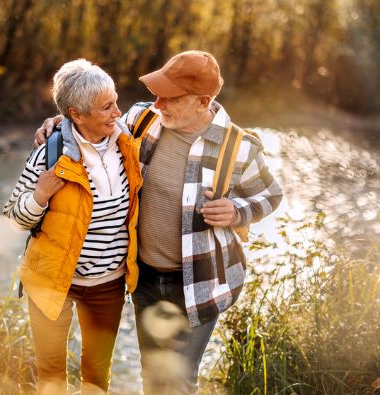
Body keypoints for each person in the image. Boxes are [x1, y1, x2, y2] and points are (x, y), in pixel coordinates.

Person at [35, 50, 283, 394]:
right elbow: (89, 121)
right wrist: (58, 122)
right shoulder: (142, 120)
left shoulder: (239, 148)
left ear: (203, 101)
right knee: (153, 377)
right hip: (146, 279)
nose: (158, 102)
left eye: (169, 97)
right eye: (157, 93)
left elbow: (271, 194)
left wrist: (237, 211)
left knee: (179, 381)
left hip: (201, 282)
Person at [3, 59, 142, 395]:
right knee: (50, 377)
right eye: (106, 107)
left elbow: (181, 110)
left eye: (116, 102)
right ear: (76, 115)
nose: (116, 112)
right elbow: (12, 219)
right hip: (52, 280)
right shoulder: (47, 156)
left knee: (96, 377)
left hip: (108, 283)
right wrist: (39, 196)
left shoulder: (129, 142)